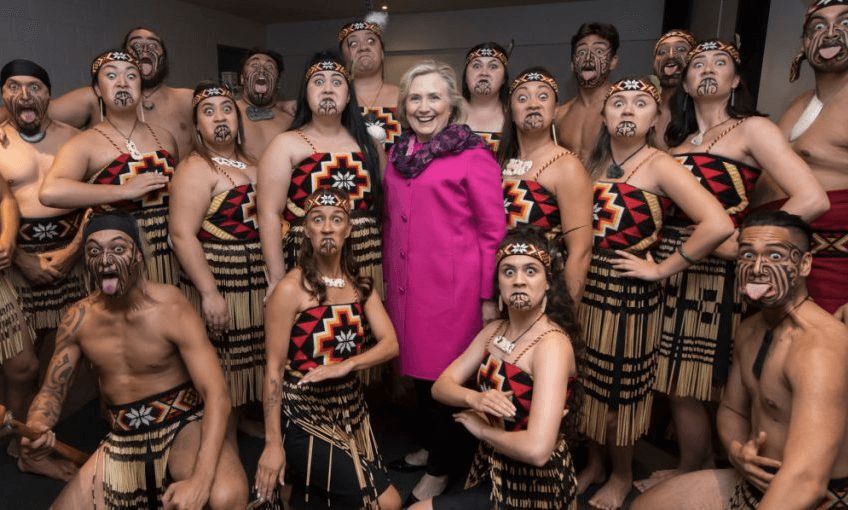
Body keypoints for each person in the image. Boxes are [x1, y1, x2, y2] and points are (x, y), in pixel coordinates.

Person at [647, 39, 829, 492]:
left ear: (736, 79)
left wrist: (749, 246)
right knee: (677, 378)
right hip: (678, 269)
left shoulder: (752, 130)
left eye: (720, 63)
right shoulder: (679, 142)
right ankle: (697, 466)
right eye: (698, 64)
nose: (707, 69)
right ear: (685, 82)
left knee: (716, 379)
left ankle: (712, 472)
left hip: (722, 274)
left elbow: (812, 198)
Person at [577, 76, 734, 510]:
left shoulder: (662, 165)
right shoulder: (587, 164)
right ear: (604, 115)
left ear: (655, 117)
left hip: (630, 295)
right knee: (587, 383)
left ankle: (623, 474)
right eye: (618, 103)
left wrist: (662, 268)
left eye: (640, 103)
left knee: (618, 391)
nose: (627, 110)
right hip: (585, 289)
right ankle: (593, 463)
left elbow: (718, 225)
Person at [22, 212, 247, 509]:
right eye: (94, 251)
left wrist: (200, 482)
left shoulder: (169, 305)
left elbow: (217, 394)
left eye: (118, 249)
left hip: (182, 426)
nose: (105, 260)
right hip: (124, 435)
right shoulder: (79, 319)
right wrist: (38, 424)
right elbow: (52, 392)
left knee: (225, 497)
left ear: (138, 256)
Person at [631, 210, 848, 510]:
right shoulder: (749, 330)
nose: (758, 268)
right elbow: (732, 410)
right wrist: (736, 451)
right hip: (755, 482)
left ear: (805, 264)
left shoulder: (820, 350)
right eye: (748, 254)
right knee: (646, 506)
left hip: (811, 498)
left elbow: (807, 482)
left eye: (774, 256)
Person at [382, 59, 506, 503]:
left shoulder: (473, 156)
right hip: (406, 285)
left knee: (446, 378)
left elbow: (494, 232)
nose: (424, 106)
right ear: (403, 106)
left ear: (451, 104)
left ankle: (442, 467)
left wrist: (489, 296)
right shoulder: (398, 155)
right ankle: (431, 445)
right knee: (418, 373)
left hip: (453, 291)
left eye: (434, 96)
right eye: (415, 97)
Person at [409, 228, 582, 510]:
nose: (519, 281)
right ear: (499, 283)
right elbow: (441, 386)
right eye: (508, 272)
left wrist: (482, 430)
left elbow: (538, 451)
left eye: (531, 271)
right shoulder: (493, 332)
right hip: (493, 469)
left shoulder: (551, 345)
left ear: (548, 282)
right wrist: (474, 398)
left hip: (535, 488)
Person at [255, 187, 401, 509]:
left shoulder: (359, 284)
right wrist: (271, 444)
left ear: (348, 230)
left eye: (336, 219)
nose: (326, 227)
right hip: (303, 412)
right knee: (387, 503)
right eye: (317, 219)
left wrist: (347, 365)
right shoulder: (290, 290)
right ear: (306, 230)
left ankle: (295, 492)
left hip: (351, 412)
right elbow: (274, 370)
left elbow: (391, 344)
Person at [40, 50, 180, 286]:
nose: (123, 82)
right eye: (111, 75)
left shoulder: (165, 138)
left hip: (168, 252)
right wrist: (123, 191)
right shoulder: (84, 143)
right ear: (97, 89)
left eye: (132, 76)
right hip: (116, 254)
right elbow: (51, 192)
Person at [169, 83, 266, 415]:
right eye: (208, 112)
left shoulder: (253, 163)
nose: (219, 117)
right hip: (222, 282)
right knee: (222, 363)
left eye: (227, 109)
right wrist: (209, 294)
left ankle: (241, 422)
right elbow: (181, 235)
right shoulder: (196, 168)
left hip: (256, 282)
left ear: (238, 120)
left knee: (253, 357)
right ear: (197, 125)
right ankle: (223, 439)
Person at [258, 50, 384, 301]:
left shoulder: (369, 145)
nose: (328, 89)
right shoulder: (285, 144)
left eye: (337, 82)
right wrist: (276, 278)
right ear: (306, 93)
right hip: (308, 258)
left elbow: (386, 208)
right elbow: (269, 214)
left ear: (349, 96)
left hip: (365, 258)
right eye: (318, 82)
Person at [753, 0, 848, 316]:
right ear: (805, 43)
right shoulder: (798, 103)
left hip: (834, 273)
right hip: (780, 263)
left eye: (844, 23)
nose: (831, 33)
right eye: (818, 26)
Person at [0, 60, 88, 341]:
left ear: (49, 95)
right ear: (3, 94)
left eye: (34, 87)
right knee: (23, 367)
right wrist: (19, 258)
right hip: (16, 267)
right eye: (14, 87)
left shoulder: (77, 140)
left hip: (73, 266)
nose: (25, 96)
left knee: (73, 349)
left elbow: (97, 202)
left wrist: (73, 252)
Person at [498, 67, 593, 304]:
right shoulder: (499, 162)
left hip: (544, 294)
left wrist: (565, 314)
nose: (533, 104)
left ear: (555, 110)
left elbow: (580, 252)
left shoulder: (567, 166)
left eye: (543, 96)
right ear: (510, 112)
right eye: (522, 98)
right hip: (501, 287)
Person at [48, 27, 195, 158]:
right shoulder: (95, 96)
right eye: (136, 44)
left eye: (153, 45)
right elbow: (37, 117)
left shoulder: (187, 99)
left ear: (165, 57)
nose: (144, 49)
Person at [555, 22, 620, 164]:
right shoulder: (560, 115)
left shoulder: (624, 111)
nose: (588, 58)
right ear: (572, 64)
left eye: (599, 51)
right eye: (581, 52)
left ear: (613, 62)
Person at [338, 16, 402, 151]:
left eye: (371, 41)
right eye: (353, 44)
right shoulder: (336, 99)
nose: (363, 47)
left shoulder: (405, 97)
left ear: (382, 53)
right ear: (343, 58)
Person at [236, 49, 295, 160]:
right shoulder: (229, 113)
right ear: (242, 79)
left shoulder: (291, 117)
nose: (262, 70)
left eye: (270, 67)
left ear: (277, 82)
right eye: (254, 65)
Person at [651, 30, 696, 151]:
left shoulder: (700, 109)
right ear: (654, 65)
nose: (670, 55)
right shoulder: (645, 107)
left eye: (681, 49)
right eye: (662, 52)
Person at [462, 42, 509, 153]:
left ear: (504, 78)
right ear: (465, 76)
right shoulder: (449, 114)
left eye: (493, 66)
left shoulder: (515, 117)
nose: (484, 73)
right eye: (477, 66)